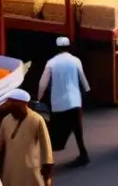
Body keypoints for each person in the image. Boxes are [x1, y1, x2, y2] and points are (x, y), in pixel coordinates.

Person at [37, 36, 90, 167]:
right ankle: (83, 153)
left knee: (56, 130)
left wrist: (38, 98)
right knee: (78, 130)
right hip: (74, 100)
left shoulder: (51, 62)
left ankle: (48, 158)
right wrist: (87, 92)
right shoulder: (76, 61)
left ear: (57, 47)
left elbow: (42, 83)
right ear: (68, 46)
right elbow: (83, 80)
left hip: (58, 102)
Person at [0, 89, 53, 186]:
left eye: (13, 104)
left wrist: (47, 165)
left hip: (30, 168)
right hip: (11, 168)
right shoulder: (6, 120)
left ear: (23, 104)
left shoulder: (37, 120)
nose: (10, 106)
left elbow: (46, 145)